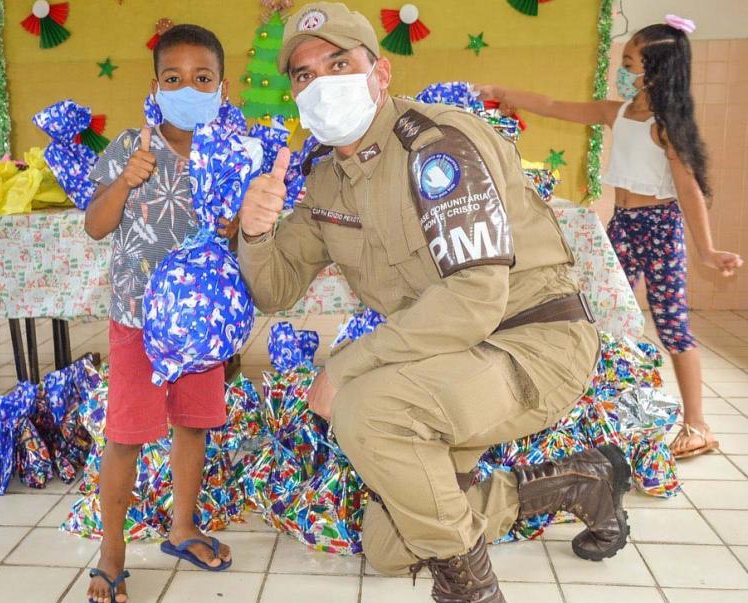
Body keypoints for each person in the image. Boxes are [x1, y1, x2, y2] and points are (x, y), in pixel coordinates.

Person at [238, 4, 633, 602]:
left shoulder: (437, 145)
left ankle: (471, 591)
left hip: (530, 339)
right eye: (303, 74)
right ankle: (581, 481)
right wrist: (255, 230)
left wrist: (344, 366)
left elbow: (474, 299)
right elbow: (275, 289)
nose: (320, 84)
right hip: (445, 359)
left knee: (368, 410)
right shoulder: (324, 179)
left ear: (381, 72)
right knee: (389, 548)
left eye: (338, 63)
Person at [477, 15, 743, 461]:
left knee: (673, 325)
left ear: (656, 70)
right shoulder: (616, 112)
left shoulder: (665, 126)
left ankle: (698, 426)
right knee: (595, 314)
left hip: (660, 229)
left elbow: (689, 190)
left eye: (629, 61)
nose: (623, 69)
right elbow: (552, 104)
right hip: (623, 224)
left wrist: (708, 250)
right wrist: (500, 92)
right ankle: (592, 406)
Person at [84, 24, 235, 603]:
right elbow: (96, 225)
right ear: (156, 85)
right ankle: (111, 555)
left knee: (192, 425)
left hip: (203, 327)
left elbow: (245, 236)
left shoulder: (229, 155)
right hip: (137, 323)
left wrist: (234, 228)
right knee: (125, 436)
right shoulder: (130, 146)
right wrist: (125, 181)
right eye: (175, 78)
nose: (189, 88)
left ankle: (182, 528)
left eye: (203, 79)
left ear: (222, 87)